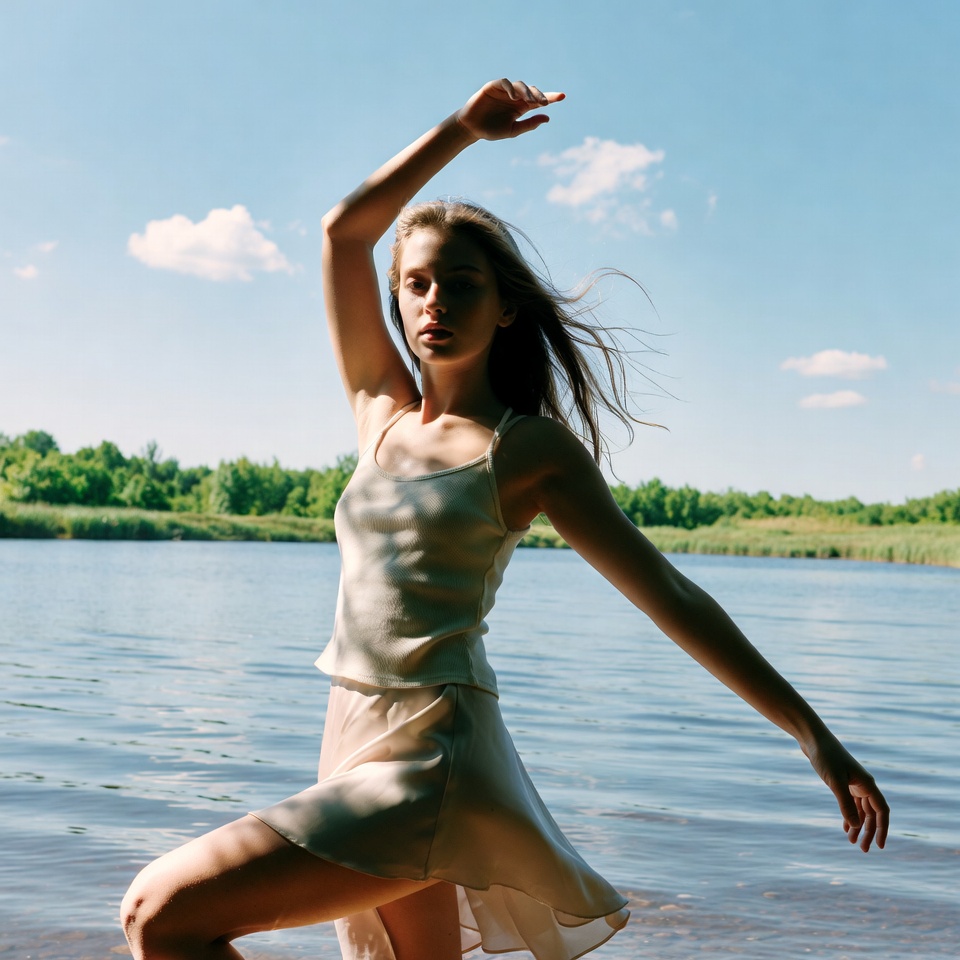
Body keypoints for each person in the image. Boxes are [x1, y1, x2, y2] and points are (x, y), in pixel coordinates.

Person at [121, 78, 889, 960]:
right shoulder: (380, 412)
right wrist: (460, 130)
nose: (434, 302)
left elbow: (669, 592)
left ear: (506, 304)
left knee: (159, 913)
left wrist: (811, 733)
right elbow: (344, 234)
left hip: (433, 758)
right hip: (349, 736)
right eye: (416, 286)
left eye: (460, 283)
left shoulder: (528, 451)